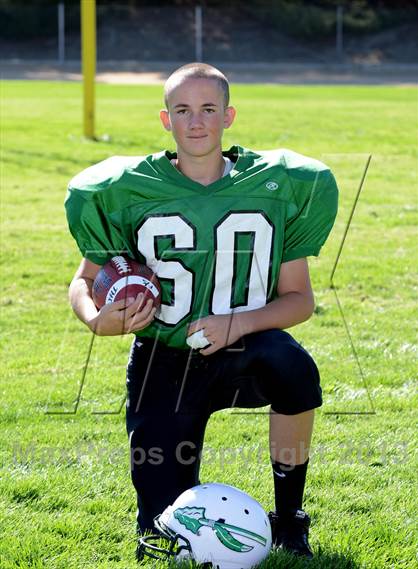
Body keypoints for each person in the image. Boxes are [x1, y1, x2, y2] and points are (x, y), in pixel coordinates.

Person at [65, 62, 338, 561]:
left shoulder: (277, 185)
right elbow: (83, 282)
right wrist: (96, 318)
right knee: (162, 532)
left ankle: (289, 520)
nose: (196, 122)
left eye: (208, 109)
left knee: (292, 365)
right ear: (165, 120)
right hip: (164, 358)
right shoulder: (125, 190)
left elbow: (300, 299)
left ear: (228, 115)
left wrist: (238, 322)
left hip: (246, 349)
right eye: (183, 110)